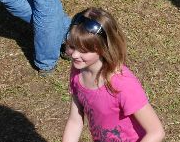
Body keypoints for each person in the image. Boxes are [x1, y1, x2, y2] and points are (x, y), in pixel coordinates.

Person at [62, 8, 165, 142]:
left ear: (103, 48)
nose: (75, 55)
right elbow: (75, 120)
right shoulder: (78, 72)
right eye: (72, 46)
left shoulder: (122, 84)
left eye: (83, 50)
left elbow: (156, 132)